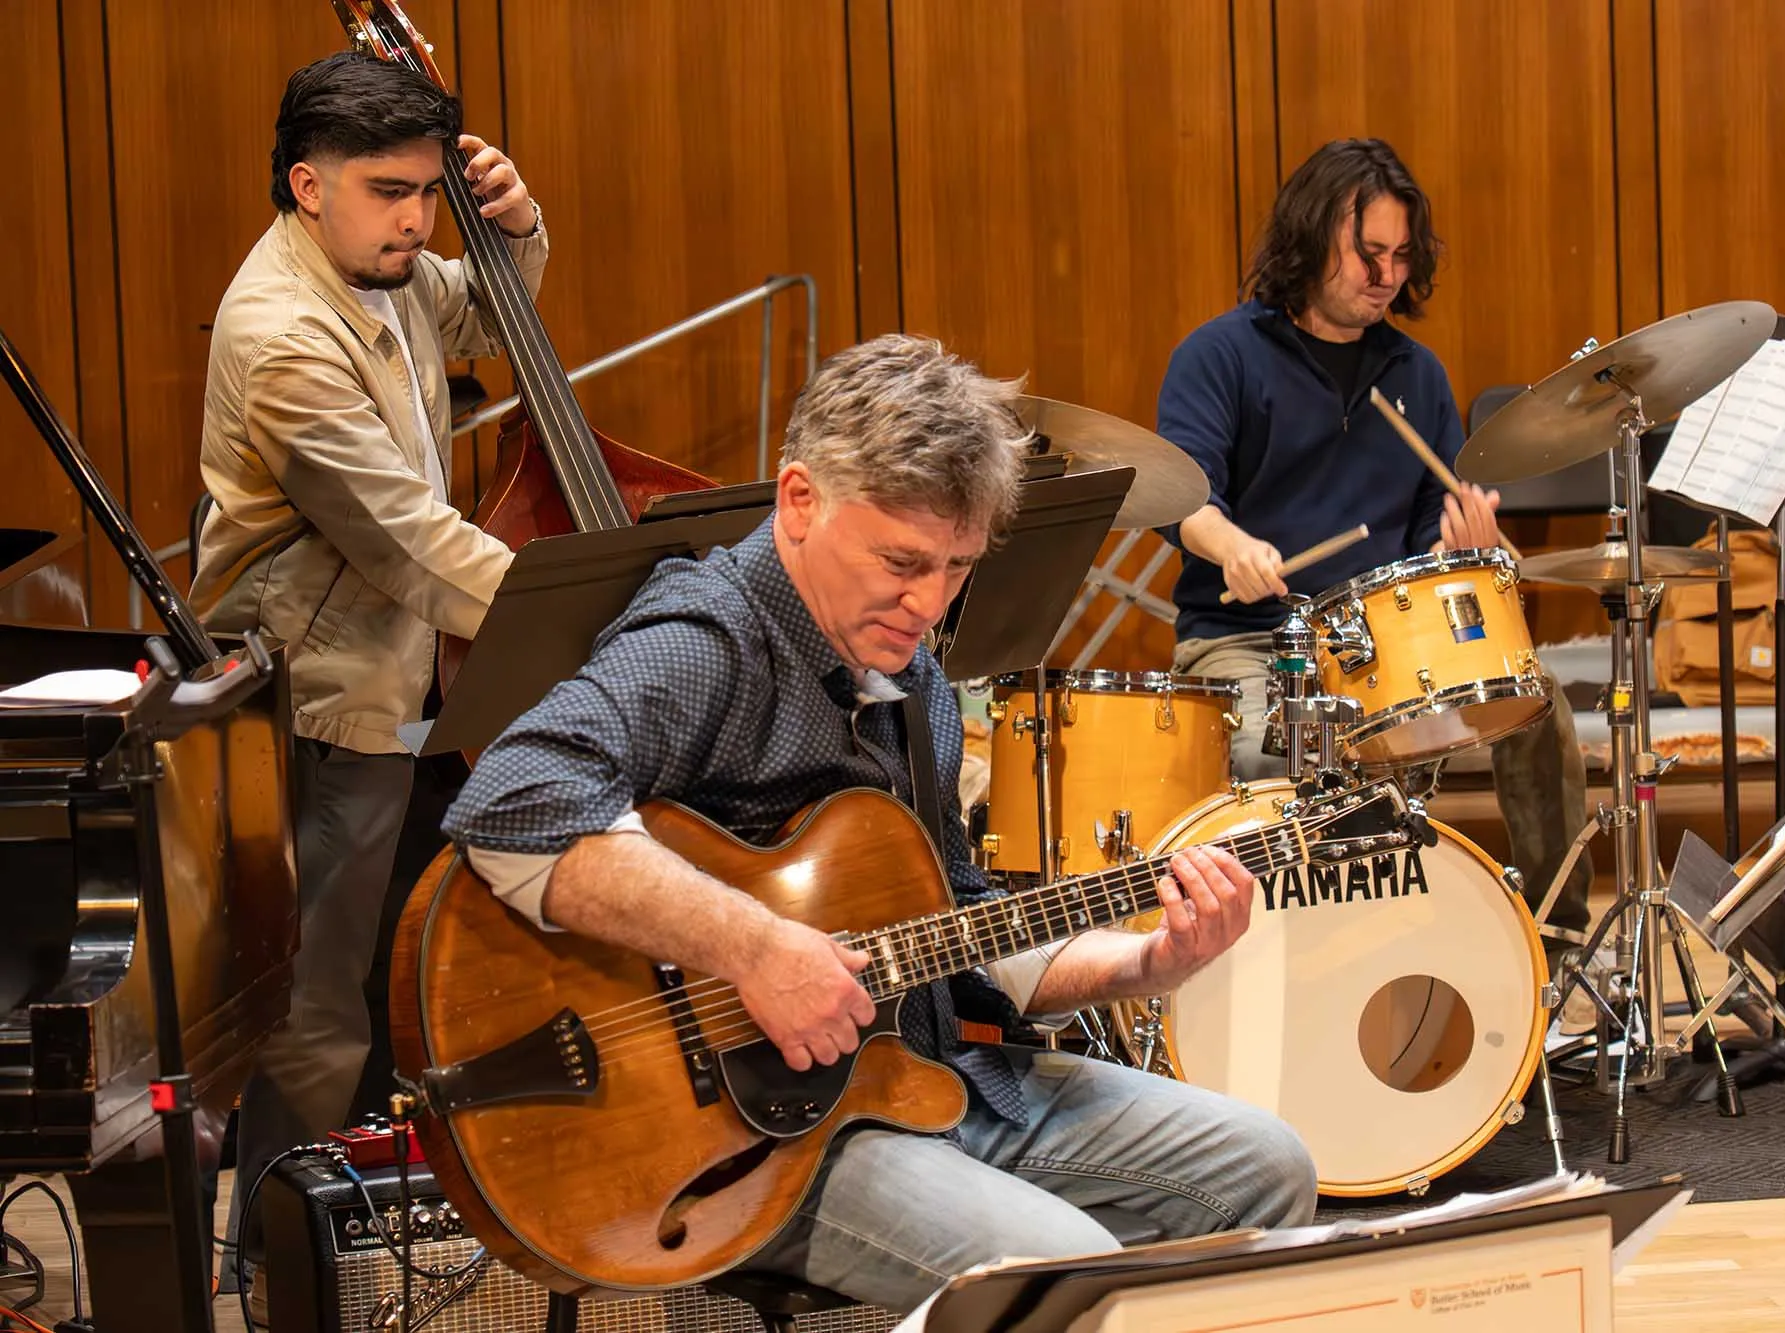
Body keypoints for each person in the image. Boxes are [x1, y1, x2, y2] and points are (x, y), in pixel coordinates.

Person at [441, 333, 1318, 1314]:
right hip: (766, 1140)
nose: (929, 600)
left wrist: (1145, 963)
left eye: (955, 565)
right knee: (1062, 1276)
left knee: (1264, 1166)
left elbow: (964, 925)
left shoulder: (917, 684)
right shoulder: (707, 637)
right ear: (799, 500)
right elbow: (514, 793)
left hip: (935, 1079)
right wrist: (754, 946)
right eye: (901, 561)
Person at [190, 48, 546, 1290]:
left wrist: (518, 224)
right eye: (391, 191)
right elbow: (405, 539)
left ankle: (302, 1247)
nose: (416, 220)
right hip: (315, 700)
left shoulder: (377, 264)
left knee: (352, 995)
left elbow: (484, 311)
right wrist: (576, 611)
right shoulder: (284, 332)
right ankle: (272, 1274)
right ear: (306, 184)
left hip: (392, 684)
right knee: (308, 1017)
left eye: (430, 194)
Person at [1155, 137, 1593, 953]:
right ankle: (1274, 963)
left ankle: (1556, 940)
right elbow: (1183, 498)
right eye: (1367, 254)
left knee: (1533, 704)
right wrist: (1233, 544)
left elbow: (1431, 528)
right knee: (1261, 751)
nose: (1386, 274)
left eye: (1399, 256)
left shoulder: (1416, 373)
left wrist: (1460, 542)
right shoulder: (1220, 356)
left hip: (1386, 643)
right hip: (1249, 640)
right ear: (1312, 237)